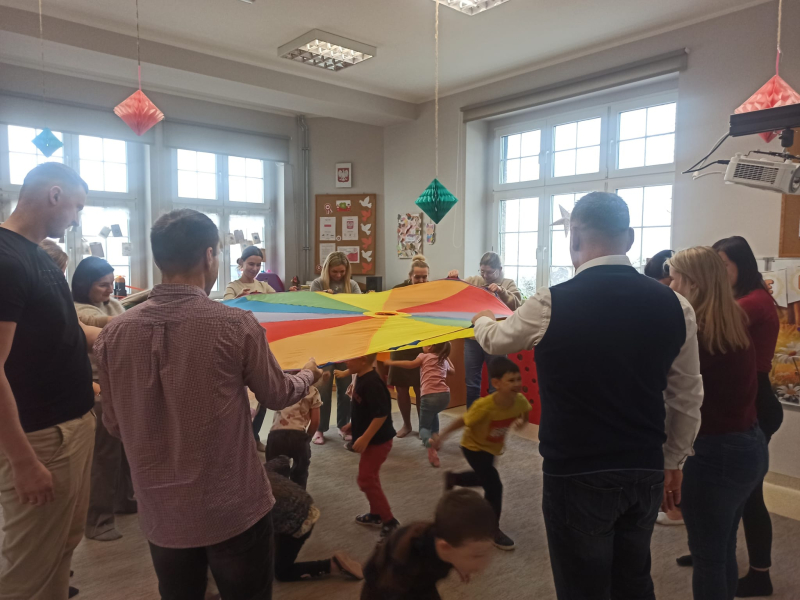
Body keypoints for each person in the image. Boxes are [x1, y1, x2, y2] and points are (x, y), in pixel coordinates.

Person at [469, 192, 703, 599]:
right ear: (629, 238)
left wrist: (481, 316)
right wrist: (674, 459)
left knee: (582, 586)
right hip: (645, 465)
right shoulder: (676, 305)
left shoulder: (550, 302)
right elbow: (686, 394)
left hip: (575, 470)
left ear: (573, 236)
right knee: (634, 580)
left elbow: (495, 340)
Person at [94, 208, 322, 600]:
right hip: (231, 506)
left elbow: (114, 424)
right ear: (209, 256)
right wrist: (308, 375)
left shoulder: (113, 334)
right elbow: (277, 395)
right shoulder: (235, 324)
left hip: (162, 511)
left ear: (158, 258)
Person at [0, 163, 98, 600]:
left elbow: (68, 329)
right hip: (40, 438)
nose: (76, 219)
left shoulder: (38, 257)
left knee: (62, 548)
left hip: (71, 427)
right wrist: (22, 461)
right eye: (77, 206)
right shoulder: (6, 261)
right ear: (54, 195)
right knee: (29, 568)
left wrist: (134, 332)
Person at [668, 247, 768, 600]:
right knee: (722, 547)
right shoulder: (732, 320)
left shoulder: (699, 332)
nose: (671, 285)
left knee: (708, 557)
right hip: (748, 445)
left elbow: (674, 393)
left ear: (693, 283)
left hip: (716, 453)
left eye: (675, 278)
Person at [715, 236, 781, 598]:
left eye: (723, 265)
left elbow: (709, 329)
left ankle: (761, 575)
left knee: (749, 495)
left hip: (757, 401)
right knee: (724, 492)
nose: (718, 272)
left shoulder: (752, 301)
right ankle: (713, 553)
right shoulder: (739, 298)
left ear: (741, 264)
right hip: (744, 397)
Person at [433, 357, 530, 551]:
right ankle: (491, 530)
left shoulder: (519, 400)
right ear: (496, 383)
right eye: (511, 380)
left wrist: (522, 422)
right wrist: (442, 435)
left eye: (518, 379)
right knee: (494, 486)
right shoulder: (484, 406)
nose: (517, 384)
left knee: (483, 478)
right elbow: (463, 420)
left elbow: (524, 412)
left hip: (492, 448)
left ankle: (455, 478)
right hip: (473, 448)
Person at [72, 256, 136, 541]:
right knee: (104, 457)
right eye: (102, 285)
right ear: (85, 285)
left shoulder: (112, 304)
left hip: (119, 386)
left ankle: (124, 500)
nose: (110, 289)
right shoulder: (76, 310)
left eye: (112, 283)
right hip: (96, 390)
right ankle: (98, 520)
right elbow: (98, 323)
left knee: (124, 451)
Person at [361, 489, 497, 600]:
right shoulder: (407, 559)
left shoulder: (449, 539)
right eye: (476, 555)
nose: (484, 564)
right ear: (446, 547)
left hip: (422, 582)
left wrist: (458, 564)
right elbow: (388, 590)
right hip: (384, 590)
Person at [265, 456, 363, 583]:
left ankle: (332, 565)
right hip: (304, 503)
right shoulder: (255, 471)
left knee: (282, 573)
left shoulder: (248, 498)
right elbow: (281, 461)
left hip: (298, 523)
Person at [448, 252, 522, 408]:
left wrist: (501, 291)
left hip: (496, 339)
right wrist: (454, 279)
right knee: (471, 382)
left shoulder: (508, 283)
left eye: (489, 272)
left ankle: (494, 418)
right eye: (482, 271)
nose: (485, 275)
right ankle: (473, 417)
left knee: (497, 383)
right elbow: (457, 291)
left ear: (499, 269)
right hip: (473, 338)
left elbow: (516, 304)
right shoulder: (475, 281)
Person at [342, 353, 399, 539]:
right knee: (371, 478)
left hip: (379, 441)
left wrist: (365, 438)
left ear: (363, 360)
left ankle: (390, 521)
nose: (346, 361)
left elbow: (381, 414)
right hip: (373, 439)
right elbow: (366, 409)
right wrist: (354, 425)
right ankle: (376, 514)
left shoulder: (372, 383)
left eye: (351, 357)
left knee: (365, 479)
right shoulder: (361, 377)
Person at [306, 252, 361, 445]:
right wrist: (323, 300)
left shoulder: (352, 286)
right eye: (334, 271)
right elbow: (311, 312)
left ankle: (343, 425)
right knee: (323, 387)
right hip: (323, 343)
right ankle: (319, 428)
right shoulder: (317, 284)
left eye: (342, 272)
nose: (338, 275)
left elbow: (359, 311)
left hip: (345, 342)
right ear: (327, 269)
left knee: (346, 387)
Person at [225, 245, 276, 451]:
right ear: (241, 263)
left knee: (262, 391)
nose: (254, 269)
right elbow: (226, 307)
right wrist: (240, 298)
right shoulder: (233, 286)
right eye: (251, 264)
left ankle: (254, 437)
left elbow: (280, 302)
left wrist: (292, 295)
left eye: (258, 265)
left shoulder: (264, 286)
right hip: (240, 345)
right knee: (243, 396)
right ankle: (241, 439)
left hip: (262, 342)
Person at [385, 342, 454, 467]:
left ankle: (429, 441)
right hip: (445, 396)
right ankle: (432, 434)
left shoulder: (423, 356)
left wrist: (393, 363)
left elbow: (410, 364)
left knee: (424, 427)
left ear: (430, 346)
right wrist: (445, 356)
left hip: (428, 395)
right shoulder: (441, 359)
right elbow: (452, 371)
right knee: (432, 411)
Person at [388, 254, 430, 437]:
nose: (421, 280)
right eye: (417, 277)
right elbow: (388, 314)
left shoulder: (432, 291)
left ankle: (424, 426)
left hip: (423, 345)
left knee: (422, 388)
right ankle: (406, 425)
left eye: (424, 277)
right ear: (410, 276)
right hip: (401, 344)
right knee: (401, 388)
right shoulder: (398, 291)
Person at [266, 376, 324, 489]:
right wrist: (307, 438)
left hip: (276, 436)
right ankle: (298, 495)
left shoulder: (282, 387)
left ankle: (278, 496)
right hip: (298, 436)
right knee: (300, 473)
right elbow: (315, 421)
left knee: (275, 473)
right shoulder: (313, 390)